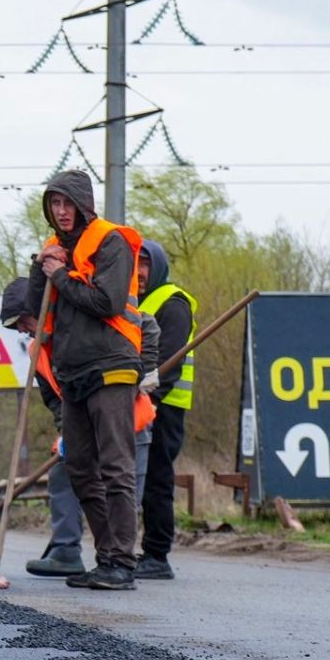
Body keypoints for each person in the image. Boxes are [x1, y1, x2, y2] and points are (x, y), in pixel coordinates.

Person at [15, 170, 146, 590]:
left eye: (67, 203)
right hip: (72, 374)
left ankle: (123, 563)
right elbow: (40, 306)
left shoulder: (112, 241)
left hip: (111, 366)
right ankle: (105, 558)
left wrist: (60, 275)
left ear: (84, 204)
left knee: (115, 468)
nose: (61, 211)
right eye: (54, 204)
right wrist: (42, 270)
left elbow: (105, 302)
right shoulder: (55, 249)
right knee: (80, 468)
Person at [3, 277, 160, 578]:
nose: (21, 329)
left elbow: (147, 325)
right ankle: (67, 551)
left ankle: (120, 561)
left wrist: (146, 369)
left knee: (122, 487)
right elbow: (53, 398)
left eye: (22, 320)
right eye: (15, 326)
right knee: (65, 473)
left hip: (128, 418)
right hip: (82, 423)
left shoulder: (80, 320)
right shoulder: (39, 351)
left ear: (38, 307)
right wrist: (66, 429)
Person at [135, 239, 197, 580]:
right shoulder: (134, 303)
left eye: (145, 266)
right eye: (135, 266)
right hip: (141, 403)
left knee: (157, 478)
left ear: (157, 267)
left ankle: (157, 554)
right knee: (140, 479)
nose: (140, 273)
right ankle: (143, 550)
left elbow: (169, 364)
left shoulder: (172, 302)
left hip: (164, 406)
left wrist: (145, 401)